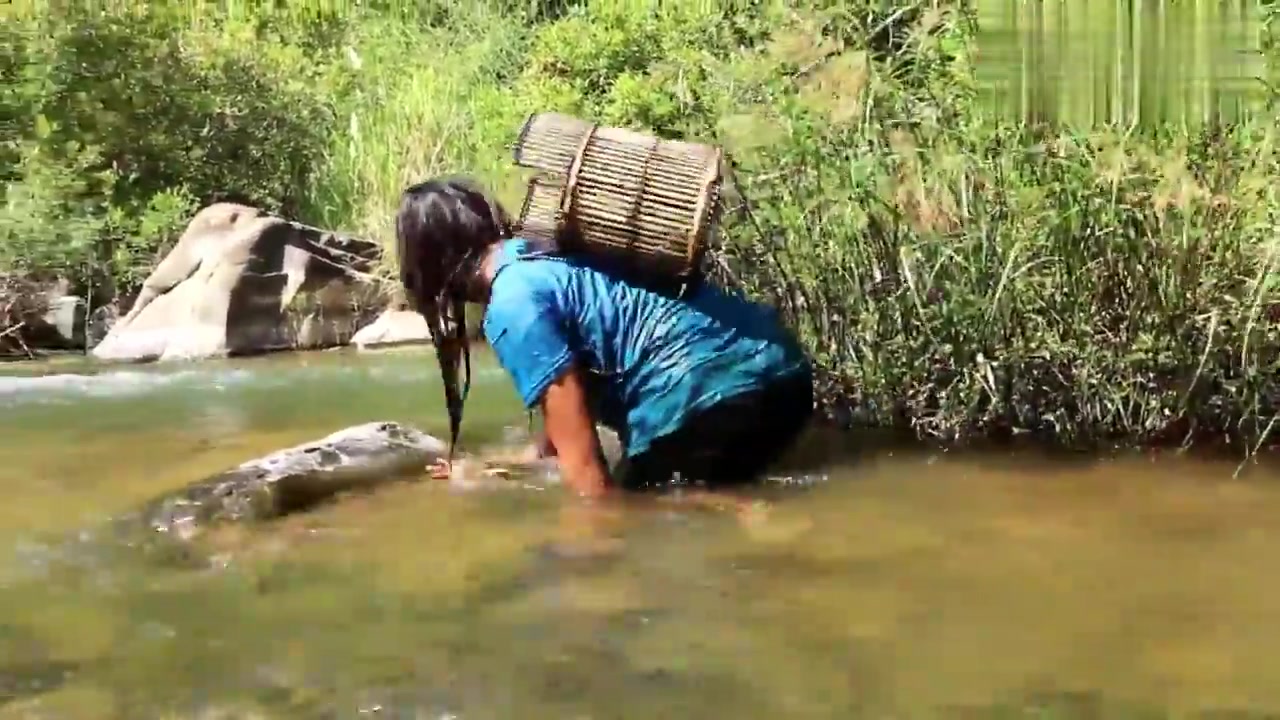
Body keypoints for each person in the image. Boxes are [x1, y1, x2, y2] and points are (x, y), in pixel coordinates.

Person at [395, 175, 814, 499]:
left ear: (431, 266)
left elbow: (587, 476)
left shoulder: (512, 305)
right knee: (702, 481)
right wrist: (485, 467)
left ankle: (744, 512)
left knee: (643, 508)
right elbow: (559, 441)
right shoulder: (552, 252)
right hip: (784, 377)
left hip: (705, 406)